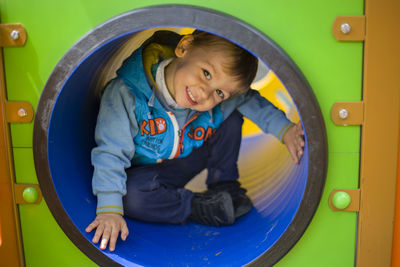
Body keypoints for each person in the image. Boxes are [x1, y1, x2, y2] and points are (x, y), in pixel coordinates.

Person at [85, 30, 305, 252]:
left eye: (219, 92)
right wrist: (109, 210)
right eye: (206, 74)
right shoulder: (127, 94)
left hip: (187, 156)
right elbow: (111, 153)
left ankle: (224, 183)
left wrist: (285, 130)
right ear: (184, 47)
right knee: (130, 196)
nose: (204, 93)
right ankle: (197, 206)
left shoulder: (211, 99)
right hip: (147, 174)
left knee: (230, 116)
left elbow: (247, 99)